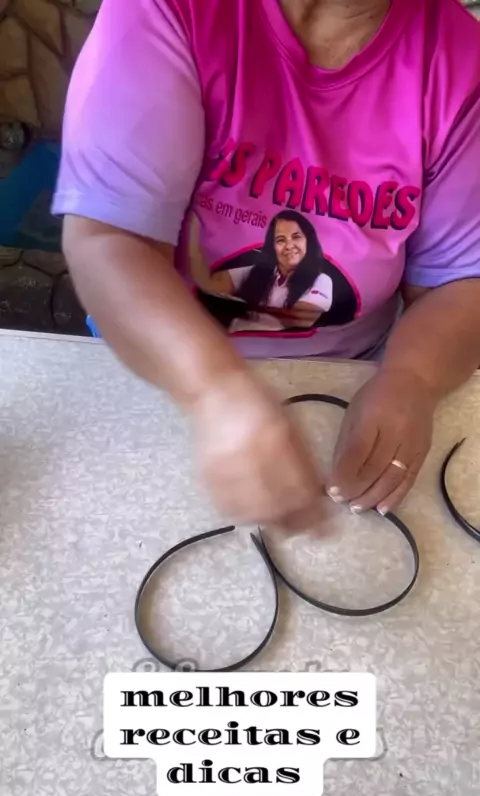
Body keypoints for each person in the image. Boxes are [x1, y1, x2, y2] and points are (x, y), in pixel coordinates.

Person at [52, 0, 480, 534]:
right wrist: (211, 389)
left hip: (351, 379)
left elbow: (458, 281)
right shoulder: (169, 9)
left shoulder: (463, 63)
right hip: (156, 363)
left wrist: (413, 378)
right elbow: (111, 240)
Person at [188, 209, 346, 332]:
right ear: (272, 247)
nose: (289, 245)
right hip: (233, 347)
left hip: (286, 356)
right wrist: (193, 236)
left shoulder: (321, 280)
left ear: (308, 241)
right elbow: (209, 284)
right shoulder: (256, 272)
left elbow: (300, 319)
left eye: (296, 237)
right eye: (280, 240)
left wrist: (242, 307)